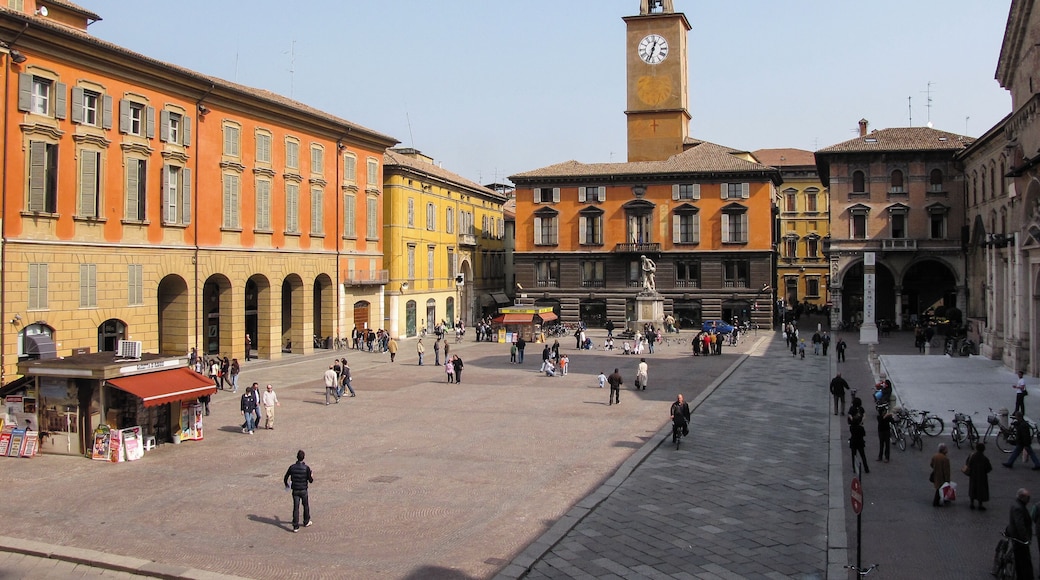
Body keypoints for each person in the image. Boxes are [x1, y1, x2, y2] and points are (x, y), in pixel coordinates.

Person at [283, 450, 314, 533]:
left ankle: (295, 526)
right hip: (303, 489)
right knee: (305, 505)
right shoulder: (306, 468)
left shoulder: (292, 467)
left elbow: (285, 477)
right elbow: (310, 480)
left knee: (295, 508)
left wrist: (286, 484)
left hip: (295, 490)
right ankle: (306, 521)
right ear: (303, 457)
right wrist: (311, 475)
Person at [1009, 488, 1033, 579]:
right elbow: (1020, 526)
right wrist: (1025, 539)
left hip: (1019, 538)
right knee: (1023, 561)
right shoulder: (1018, 508)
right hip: (1020, 540)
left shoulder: (1017, 505)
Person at [965, 442, 992, 510]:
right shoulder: (984, 458)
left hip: (973, 475)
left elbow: (967, 463)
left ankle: (972, 502)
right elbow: (989, 468)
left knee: (973, 488)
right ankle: (980, 504)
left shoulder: (972, 456)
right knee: (981, 490)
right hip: (982, 477)